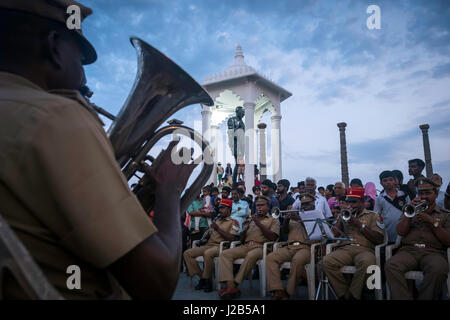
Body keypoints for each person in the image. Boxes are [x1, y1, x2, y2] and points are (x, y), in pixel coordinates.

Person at [0, 0, 199, 299]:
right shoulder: (57, 118)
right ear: (55, 47)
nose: (83, 77)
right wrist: (169, 192)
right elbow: (156, 282)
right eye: (79, 60)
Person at [385, 177, 450, 300]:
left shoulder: (445, 215)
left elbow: (448, 241)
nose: (424, 196)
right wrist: (409, 215)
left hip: (434, 252)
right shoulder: (409, 210)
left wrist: (431, 221)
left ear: (436, 194)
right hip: (409, 251)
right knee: (391, 265)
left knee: (438, 269)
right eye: (420, 193)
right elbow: (400, 231)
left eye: (428, 193)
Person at [323, 187, 385, 300]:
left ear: (362, 201)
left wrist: (358, 224)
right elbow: (333, 235)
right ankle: (344, 295)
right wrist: (340, 219)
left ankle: (353, 295)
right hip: (345, 249)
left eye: (354, 202)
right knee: (327, 261)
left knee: (367, 262)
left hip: (365, 249)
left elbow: (378, 239)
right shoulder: (344, 214)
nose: (351, 205)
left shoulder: (373, 215)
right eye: (349, 202)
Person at [218, 195, 279, 299]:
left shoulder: (273, 220)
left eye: (261, 205)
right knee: (225, 254)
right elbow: (241, 239)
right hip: (245, 246)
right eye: (257, 205)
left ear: (268, 207)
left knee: (251, 255)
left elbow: (273, 237)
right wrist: (244, 229)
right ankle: (230, 285)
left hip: (261, 248)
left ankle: (235, 284)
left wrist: (258, 223)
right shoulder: (251, 219)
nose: (259, 207)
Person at [266, 193, 316, 300]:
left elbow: (314, 233)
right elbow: (284, 231)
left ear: (313, 205)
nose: (304, 206)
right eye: (302, 204)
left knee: (297, 260)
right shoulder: (295, 215)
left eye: (307, 204)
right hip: (290, 247)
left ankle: (288, 292)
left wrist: (299, 219)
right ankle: (277, 290)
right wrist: (287, 219)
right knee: (270, 258)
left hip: (306, 248)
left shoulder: (316, 216)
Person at [183, 199, 239, 292]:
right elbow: (209, 234)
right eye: (220, 208)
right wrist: (205, 236)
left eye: (223, 208)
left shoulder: (233, 222)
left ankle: (208, 281)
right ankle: (203, 278)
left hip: (221, 247)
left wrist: (218, 229)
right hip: (209, 245)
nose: (220, 210)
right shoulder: (217, 220)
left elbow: (232, 238)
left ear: (229, 209)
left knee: (208, 253)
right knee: (187, 253)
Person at [374, 171, 410, 244]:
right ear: (381, 183)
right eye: (385, 180)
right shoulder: (380, 198)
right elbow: (376, 214)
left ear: (395, 181)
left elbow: (410, 211)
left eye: (391, 180)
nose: (388, 182)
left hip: (404, 228)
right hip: (388, 230)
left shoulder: (404, 195)